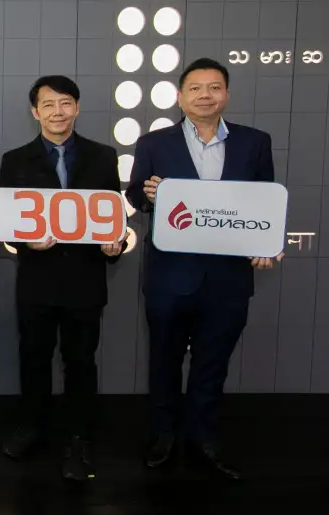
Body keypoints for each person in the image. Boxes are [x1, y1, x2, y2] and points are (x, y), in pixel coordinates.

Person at [126, 57, 283, 481]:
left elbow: (266, 201)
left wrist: (267, 244)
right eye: (195, 88)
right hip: (170, 276)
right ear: (180, 97)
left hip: (229, 279)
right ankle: (163, 436)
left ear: (226, 94)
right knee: (164, 361)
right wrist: (149, 195)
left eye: (214, 87)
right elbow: (135, 196)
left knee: (213, 364)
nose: (205, 95)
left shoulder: (255, 142)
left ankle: (204, 439)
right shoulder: (154, 143)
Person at [0, 75, 125, 482]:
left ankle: (79, 437)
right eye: (48, 105)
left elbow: (113, 219)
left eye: (65, 103)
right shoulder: (15, 160)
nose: (58, 112)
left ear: (77, 108)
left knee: (81, 362)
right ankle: (33, 426)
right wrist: (25, 242)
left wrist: (115, 245)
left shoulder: (103, 156)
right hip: (37, 280)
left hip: (85, 280)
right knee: (33, 358)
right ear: (35, 112)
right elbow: (7, 224)